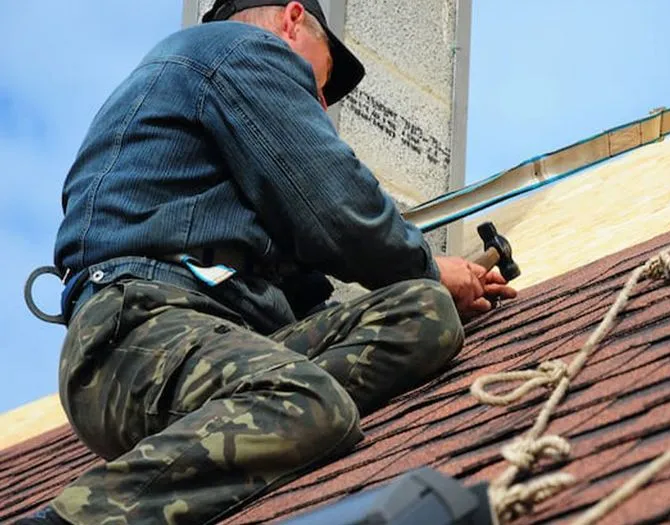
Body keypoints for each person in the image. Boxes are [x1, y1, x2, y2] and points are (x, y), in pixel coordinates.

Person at [18, 1, 515, 523]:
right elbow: (337, 208)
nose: (320, 104)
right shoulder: (235, 51)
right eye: (318, 82)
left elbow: (314, 293)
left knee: (424, 311)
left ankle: (269, 407)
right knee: (314, 400)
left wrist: (432, 286)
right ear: (291, 19)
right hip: (136, 335)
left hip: (218, 337)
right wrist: (431, 265)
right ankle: (76, 518)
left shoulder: (213, 125)